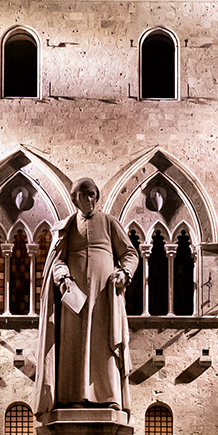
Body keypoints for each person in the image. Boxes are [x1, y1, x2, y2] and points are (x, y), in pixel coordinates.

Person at [31, 178, 138, 417]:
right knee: (74, 345)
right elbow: (57, 261)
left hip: (104, 297)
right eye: (83, 194)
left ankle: (109, 396)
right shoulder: (67, 227)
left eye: (92, 194)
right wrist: (63, 278)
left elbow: (130, 253)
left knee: (104, 343)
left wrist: (124, 272)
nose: (89, 199)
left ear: (97, 197)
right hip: (74, 300)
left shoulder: (109, 223)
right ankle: (74, 397)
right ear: (74, 198)